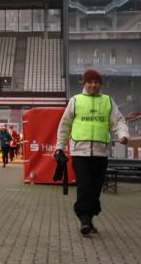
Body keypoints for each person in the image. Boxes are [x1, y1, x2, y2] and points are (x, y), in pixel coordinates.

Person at [55, 68, 129, 237]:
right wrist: (59, 147)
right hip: (79, 152)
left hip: (101, 153)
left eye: (96, 82)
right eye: (89, 82)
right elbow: (64, 125)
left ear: (100, 84)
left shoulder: (108, 101)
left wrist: (123, 135)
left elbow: (118, 121)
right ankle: (84, 219)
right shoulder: (75, 101)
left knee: (95, 189)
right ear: (84, 84)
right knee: (85, 186)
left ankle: (89, 217)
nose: (93, 85)